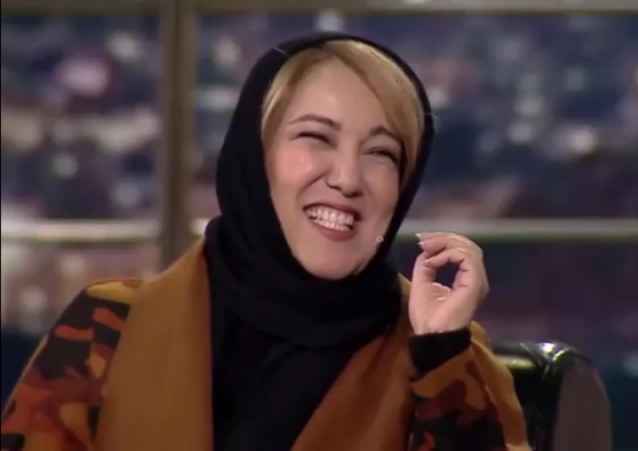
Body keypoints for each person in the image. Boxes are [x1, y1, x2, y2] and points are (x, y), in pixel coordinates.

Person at [1, 33, 531, 451]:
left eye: (382, 154)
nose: (348, 178)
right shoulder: (104, 330)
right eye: (316, 137)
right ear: (255, 156)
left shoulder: (448, 358)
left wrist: (440, 359)